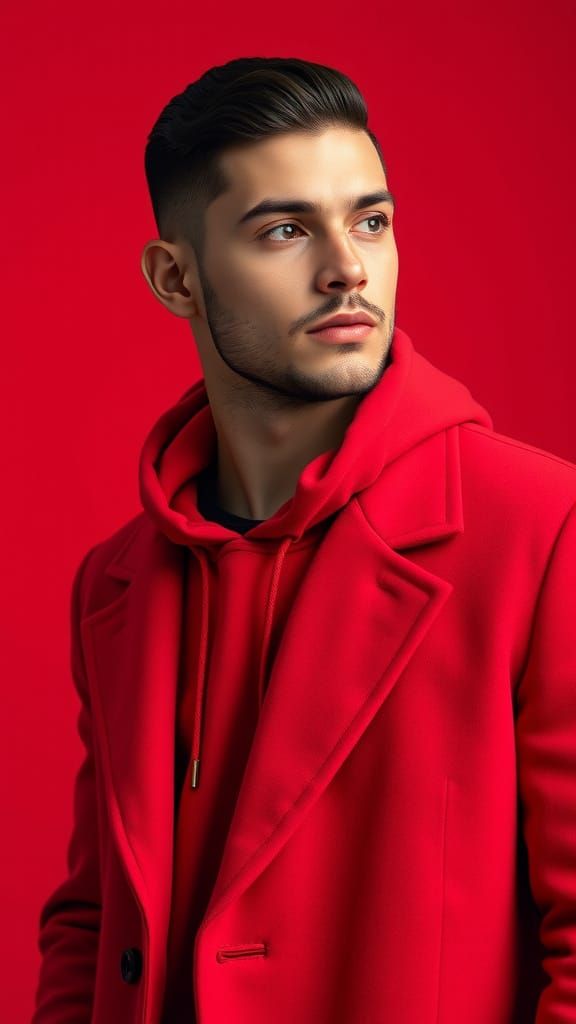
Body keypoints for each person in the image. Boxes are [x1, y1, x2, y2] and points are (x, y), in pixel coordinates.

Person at [32, 56, 576, 1024]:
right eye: (286, 230)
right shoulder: (115, 582)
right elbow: (90, 917)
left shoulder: (541, 530)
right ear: (176, 278)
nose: (349, 268)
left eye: (371, 220)